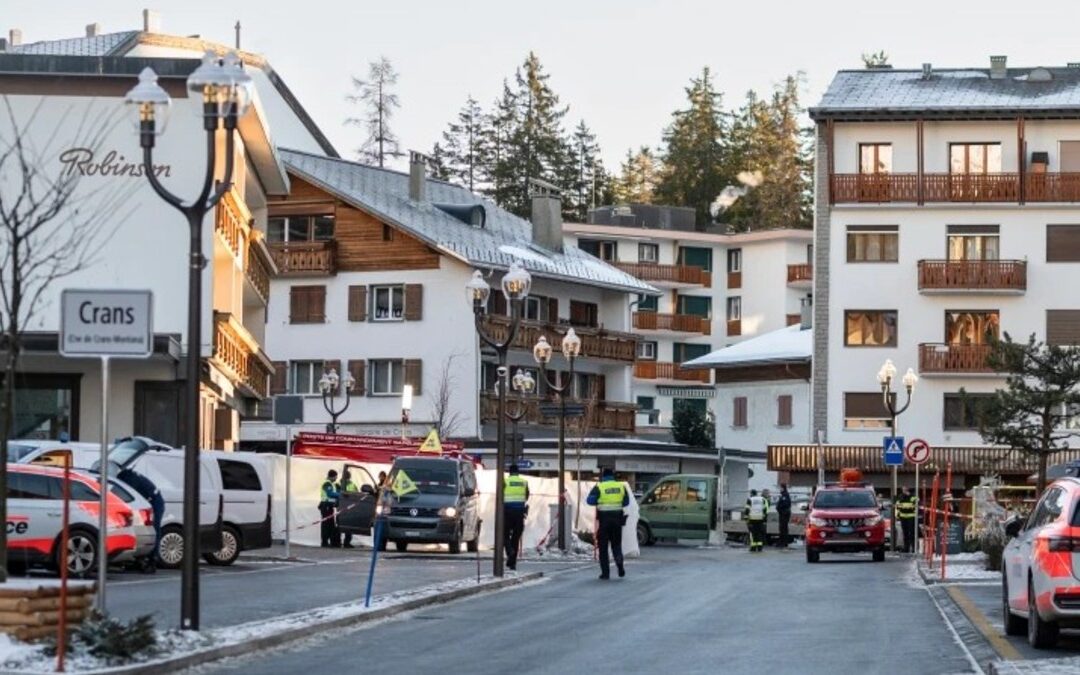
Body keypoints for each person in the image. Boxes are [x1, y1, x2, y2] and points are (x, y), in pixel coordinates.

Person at [116, 465, 164, 570]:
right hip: (153, 499)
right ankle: (142, 558)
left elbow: (130, 496)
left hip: (154, 501)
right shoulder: (128, 475)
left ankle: (153, 559)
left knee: (152, 530)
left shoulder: (127, 479)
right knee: (144, 529)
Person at [586, 467, 629, 580]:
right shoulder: (621, 486)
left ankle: (605, 573)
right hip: (617, 520)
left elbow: (590, 500)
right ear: (613, 476)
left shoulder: (599, 487)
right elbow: (626, 502)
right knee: (616, 545)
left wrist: (599, 500)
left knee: (603, 547)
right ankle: (620, 567)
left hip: (604, 521)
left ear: (603, 477)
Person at [503, 464, 530, 571]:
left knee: (504, 535)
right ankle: (512, 563)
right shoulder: (524, 482)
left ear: (509, 472)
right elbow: (527, 496)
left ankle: (509, 551)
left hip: (507, 512)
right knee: (516, 538)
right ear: (518, 472)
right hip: (519, 513)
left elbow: (500, 496)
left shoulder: (505, 481)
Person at [337, 470, 359, 549]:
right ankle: (346, 542)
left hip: (341, 506)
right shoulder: (352, 485)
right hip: (349, 507)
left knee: (339, 524)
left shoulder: (338, 484)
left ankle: (337, 542)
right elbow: (357, 495)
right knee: (348, 526)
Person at [319, 469, 340, 548]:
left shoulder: (332, 484)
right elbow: (330, 494)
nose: (336, 478)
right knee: (326, 524)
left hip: (329, 506)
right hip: (326, 505)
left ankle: (329, 541)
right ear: (332, 476)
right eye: (335, 476)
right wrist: (340, 494)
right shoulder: (327, 484)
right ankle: (324, 542)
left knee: (330, 524)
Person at [897, 487, 917, 553]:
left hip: (911, 517)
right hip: (903, 517)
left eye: (905, 488)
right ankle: (906, 548)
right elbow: (897, 505)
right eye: (903, 489)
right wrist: (898, 515)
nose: (904, 490)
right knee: (905, 534)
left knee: (911, 533)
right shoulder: (900, 496)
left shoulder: (913, 496)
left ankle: (914, 548)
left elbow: (916, 504)